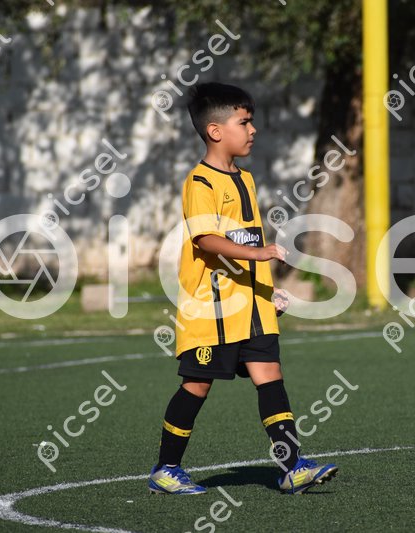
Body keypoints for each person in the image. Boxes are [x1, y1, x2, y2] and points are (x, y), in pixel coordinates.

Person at [148, 82, 338, 495]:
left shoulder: (246, 179)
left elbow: (243, 240)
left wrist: (265, 293)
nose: (253, 130)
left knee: (270, 376)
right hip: (211, 310)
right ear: (215, 131)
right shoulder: (200, 183)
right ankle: (166, 469)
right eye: (244, 122)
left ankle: (292, 467)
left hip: (251, 307)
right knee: (197, 385)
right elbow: (207, 240)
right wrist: (261, 254)